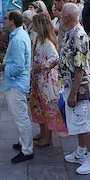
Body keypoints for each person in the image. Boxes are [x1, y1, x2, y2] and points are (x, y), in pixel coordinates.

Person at [59, 3, 90, 175]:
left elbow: (79, 67)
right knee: (77, 120)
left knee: (83, 122)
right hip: (71, 83)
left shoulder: (78, 35)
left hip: (78, 85)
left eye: (62, 14)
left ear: (69, 16)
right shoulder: (72, 33)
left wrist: (74, 93)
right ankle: (81, 151)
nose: (60, 16)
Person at [0, 10, 33, 163]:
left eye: (6, 18)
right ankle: (23, 142)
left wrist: (1, 67)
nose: (4, 20)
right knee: (19, 115)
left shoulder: (17, 39)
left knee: (21, 117)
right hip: (16, 82)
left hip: (17, 83)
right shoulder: (19, 35)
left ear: (13, 21)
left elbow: (19, 66)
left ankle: (27, 150)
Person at [28, 13, 67, 146]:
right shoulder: (38, 39)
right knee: (38, 105)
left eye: (33, 23)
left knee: (46, 107)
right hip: (38, 79)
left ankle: (48, 136)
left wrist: (42, 66)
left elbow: (55, 58)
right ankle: (42, 131)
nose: (31, 25)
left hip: (46, 80)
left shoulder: (47, 42)